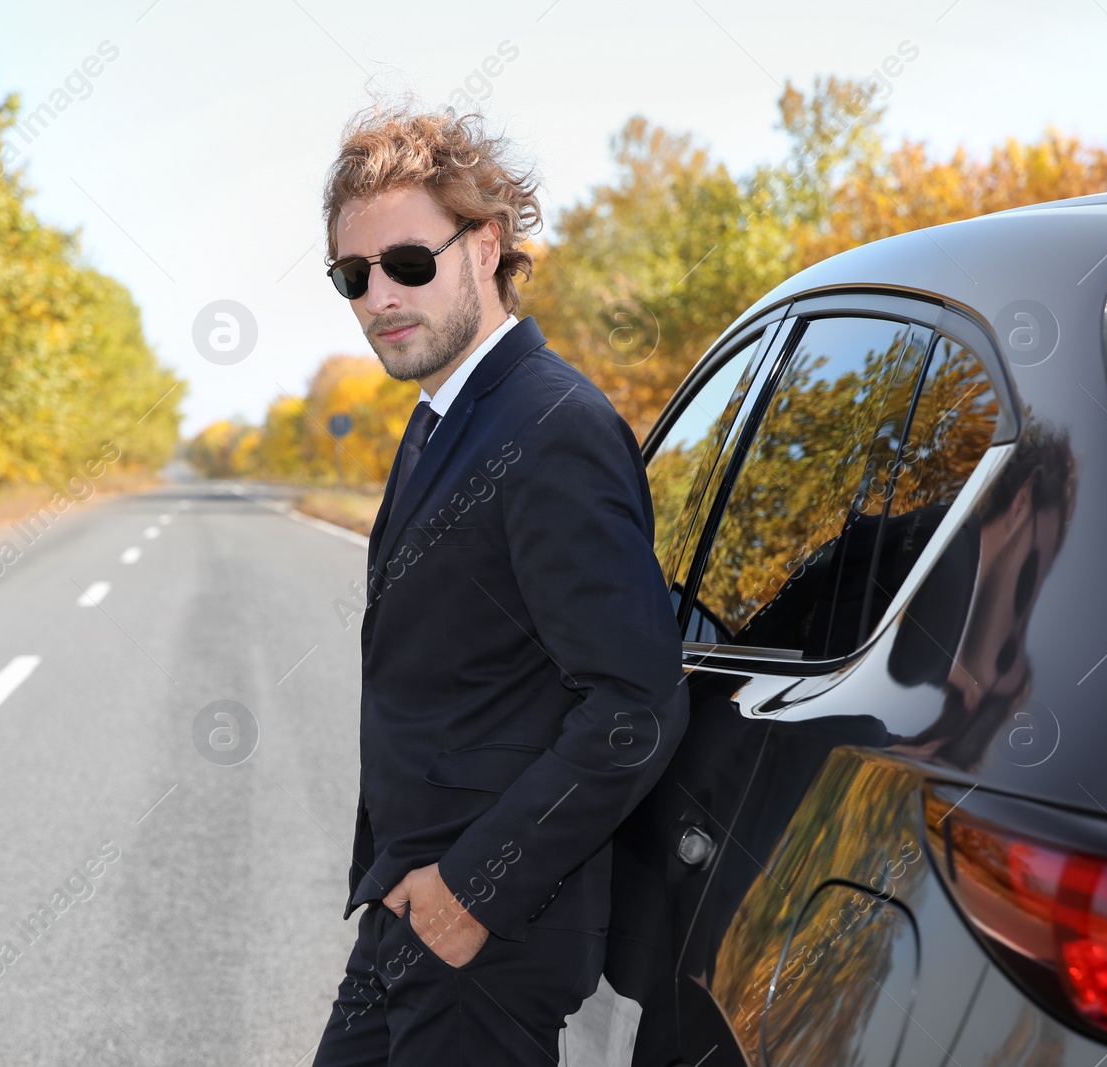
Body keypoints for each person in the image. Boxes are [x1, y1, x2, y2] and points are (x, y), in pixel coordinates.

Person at [309, 101, 690, 1066]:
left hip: (482, 933)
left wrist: (470, 890)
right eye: (353, 275)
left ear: (485, 245)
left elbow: (636, 703)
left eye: (406, 263)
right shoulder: (443, 410)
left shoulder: (552, 426)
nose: (379, 297)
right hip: (411, 909)